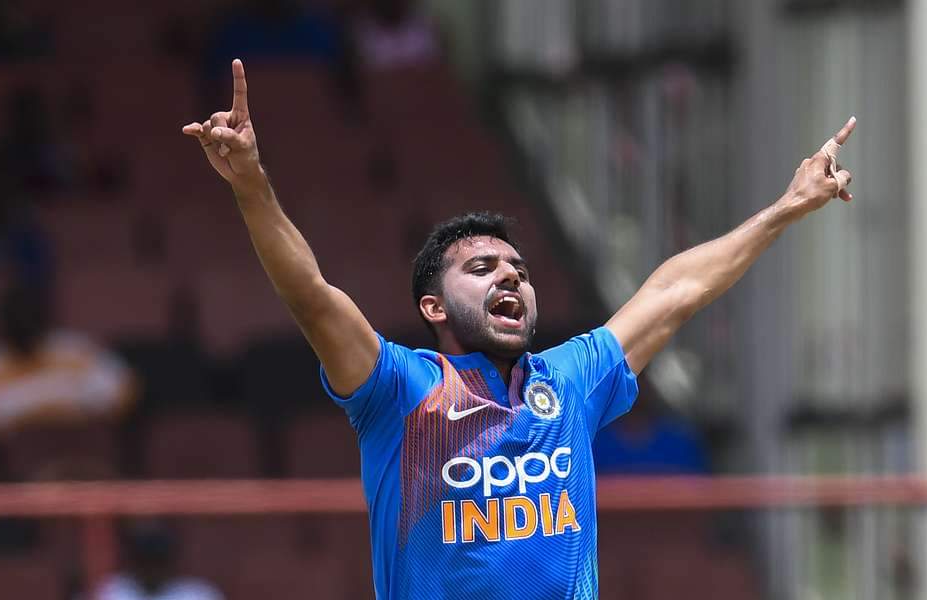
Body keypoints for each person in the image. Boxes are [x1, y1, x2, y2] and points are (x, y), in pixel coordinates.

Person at [181, 59, 855, 600]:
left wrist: (787, 207)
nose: (509, 277)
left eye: (519, 270)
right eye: (481, 268)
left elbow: (676, 290)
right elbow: (311, 297)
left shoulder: (569, 380)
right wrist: (251, 185)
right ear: (433, 307)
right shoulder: (400, 391)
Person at [0, 283, 135, 436]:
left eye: (29, 321)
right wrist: (60, 399)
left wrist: (37, 408)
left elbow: (120, 394)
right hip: (18, 455)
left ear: (45, 322)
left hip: (82, 446)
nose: (23, 326)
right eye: (16, 323)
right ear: (0, 326)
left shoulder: (75, 349)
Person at [92, 521, 223, 600]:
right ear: (133, 563)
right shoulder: (112, 591)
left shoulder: (197, 594)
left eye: (158, 563)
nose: (152, 570)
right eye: (145, 562)